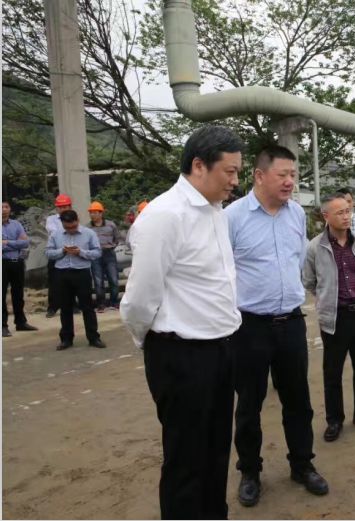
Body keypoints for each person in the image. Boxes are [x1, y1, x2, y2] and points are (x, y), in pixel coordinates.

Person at [120, 125, 243, 519]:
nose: (235, 181)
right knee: (186, 458)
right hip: (181, 355)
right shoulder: (164, 216)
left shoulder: (215, 211)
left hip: (221, 349)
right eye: (230, 172)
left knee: (216, 449)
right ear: (199, 165)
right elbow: (139, 298)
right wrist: (155, 345)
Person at [225, 145, 329, 508]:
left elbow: (296, 260)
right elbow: (222, 272)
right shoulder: (232, 217)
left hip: (291, 323)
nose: (289, 181)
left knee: (298, 400)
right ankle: (250, 472)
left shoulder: (296, 213)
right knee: (249, 404)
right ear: (259, 175)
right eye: (282, 174)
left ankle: (302, 465)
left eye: (293, 175)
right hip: (249, 327)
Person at [303, 193, 355, 443]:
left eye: (348, 211)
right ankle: (334, 420)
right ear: (326, 216)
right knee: (333, 373)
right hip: (335, 319)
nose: (346, 216)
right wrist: (327, 299)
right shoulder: (315, 247)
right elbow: (309, 281)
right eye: (340, 213)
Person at [45, 210, 106, 350]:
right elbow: (48, 253)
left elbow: (97, 252)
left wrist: (81, 252)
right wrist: (62, 251)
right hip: (62, 273)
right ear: (62, 223)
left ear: (77, 220)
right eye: (67, 227)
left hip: (82, 273)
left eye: (73, 226)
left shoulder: (89, 233)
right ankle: (66, 339)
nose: (71, 230)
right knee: (65, 307)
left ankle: (93, 338)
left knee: (87, 307)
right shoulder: (55, 234)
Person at [2, 201, 38, 338]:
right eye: (1, 207)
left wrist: (6, 243)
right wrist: (16, 243)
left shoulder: (16, 224)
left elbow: (25, 242)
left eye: (6, 207)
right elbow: (19, 242)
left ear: (10, 209)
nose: (4, 210)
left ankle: (21, 322)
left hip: (17, 262)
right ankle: (3, 325)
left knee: (18, 293)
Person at [45, 193, 76, 318]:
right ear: (57, 208)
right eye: (60, 207)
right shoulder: (51, 219)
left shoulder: (74, 217)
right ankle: (52, 307)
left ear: (70, 207)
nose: (63, 209)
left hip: (71, 253)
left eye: (65, 206)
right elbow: (54, 232)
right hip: (56, 253)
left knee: (72, 280)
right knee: (54, 281)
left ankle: (73, 305)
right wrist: (69, 229)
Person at [87, 201, 121, 312]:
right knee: (98, 280)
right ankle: (101, 304)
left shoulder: (111, 225)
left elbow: (117, 238)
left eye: (95, 212)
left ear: (101, 213)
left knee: (113, 279)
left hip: (109, 253)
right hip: (95, 255)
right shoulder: (87, 228)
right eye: (91, 213)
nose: (92, 215)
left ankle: (114, 302)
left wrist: (111, 246)